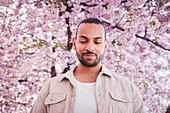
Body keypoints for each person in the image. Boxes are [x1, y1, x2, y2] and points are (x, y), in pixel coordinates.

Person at [30, 18, 146, 113]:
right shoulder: (52, 87)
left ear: (105, 45)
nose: (90, 48)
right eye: (83, 41)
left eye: (97, 42)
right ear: (74, 43)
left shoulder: (127, 89)